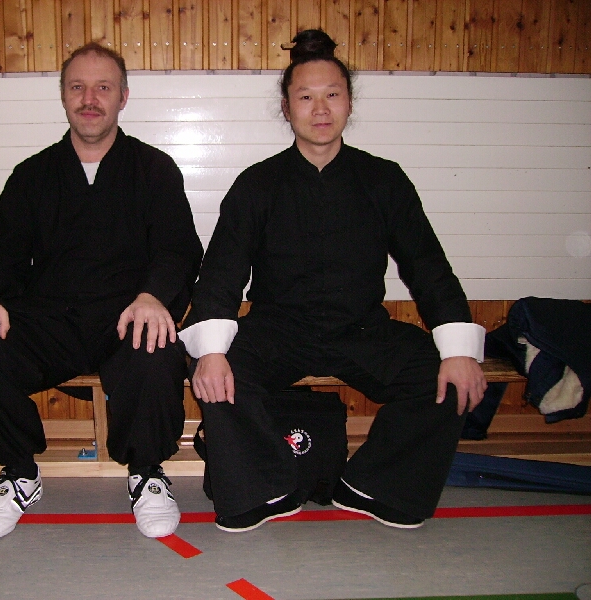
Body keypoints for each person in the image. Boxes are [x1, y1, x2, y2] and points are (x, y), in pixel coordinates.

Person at [178, 29, 488, 532]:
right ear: (287, 108)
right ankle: (266, 488)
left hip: (361, 329)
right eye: (305, 96)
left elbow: (429, 269)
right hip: (279, 329)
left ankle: (372, 485)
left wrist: (458, 348)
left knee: (448, 372)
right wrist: (210, 350)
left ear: (348, 103)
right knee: (215, 364)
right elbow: (221, 274)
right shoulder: (258, 183)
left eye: (332, 95)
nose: (320, 108)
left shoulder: (384, 180)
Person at [0, 43, 203, 540]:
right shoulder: (32, 175)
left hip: (126, 317)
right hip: (50, 320)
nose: (90, 99)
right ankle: (19, 472)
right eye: (78, 87)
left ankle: (147, 472)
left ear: (123, 97)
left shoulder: (155, 170)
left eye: (103, 88)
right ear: (63, 97)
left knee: (156, 345)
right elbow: (0, 254)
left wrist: (153, 297)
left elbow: (178, 251)